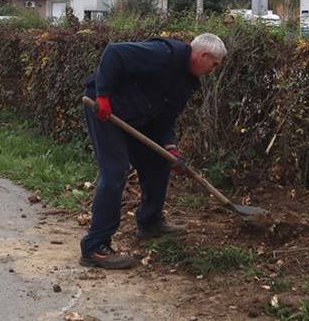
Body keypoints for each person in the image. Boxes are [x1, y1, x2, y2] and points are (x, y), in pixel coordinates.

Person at [80, 33, 227, 269]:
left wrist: (170, 148)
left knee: (158, 162)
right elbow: (114, 53)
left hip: (135, 115)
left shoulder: (186, 82)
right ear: (203, 55)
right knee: (115, 171)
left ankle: (150, 223)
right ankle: (95, 247)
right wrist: (104, 95)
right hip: (105, 109)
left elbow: (165, 118)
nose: (214, 70)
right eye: (215, 64)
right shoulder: (164, 54)